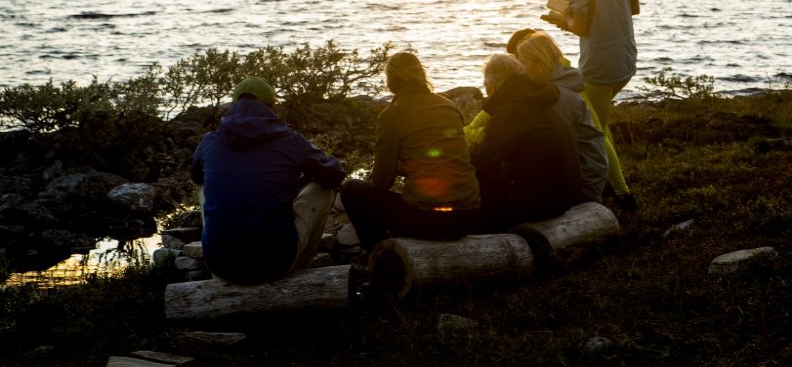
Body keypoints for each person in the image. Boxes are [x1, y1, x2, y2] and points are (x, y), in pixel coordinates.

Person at [191, 77, 346, 284]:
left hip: (219, 263)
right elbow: (334, 175)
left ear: (234, 106)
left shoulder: (210, 140)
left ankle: (220, 262)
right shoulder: (290, 141)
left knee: (203, 187)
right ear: (272, 107)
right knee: (322, 190)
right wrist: (300, 177)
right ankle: (300, 273)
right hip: (274, 263)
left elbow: (196, 177)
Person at [340, 52, 480, 254]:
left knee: (352, 190)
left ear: (390, 81)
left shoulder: (392, 115)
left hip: (429, 219)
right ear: (422, 75)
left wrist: (390, 170)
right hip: (469, 215)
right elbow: (445, 160)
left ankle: (379, 256)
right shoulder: (448, 106)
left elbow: (381, 182)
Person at [546, 0, 640, 212]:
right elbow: (634, 8)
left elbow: (581, 27)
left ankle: (623, 194)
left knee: (595, 130)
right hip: (625, 60)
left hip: (599, 63)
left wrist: (564, 18)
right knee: (601, 120)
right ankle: (611, 181)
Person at [470, 53, 584, 233]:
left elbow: (481, 158)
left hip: (539, 204)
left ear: (493, 85)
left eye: (486, 87)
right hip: (566, 194)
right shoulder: (540, 102)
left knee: (475, 177)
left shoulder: (511, 113)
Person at [515, 31, 608, 203]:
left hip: (581, 184)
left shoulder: (556, 97)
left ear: (540, 64)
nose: (520, 69)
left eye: (523, 63)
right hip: (588, 176)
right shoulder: (561, 90)